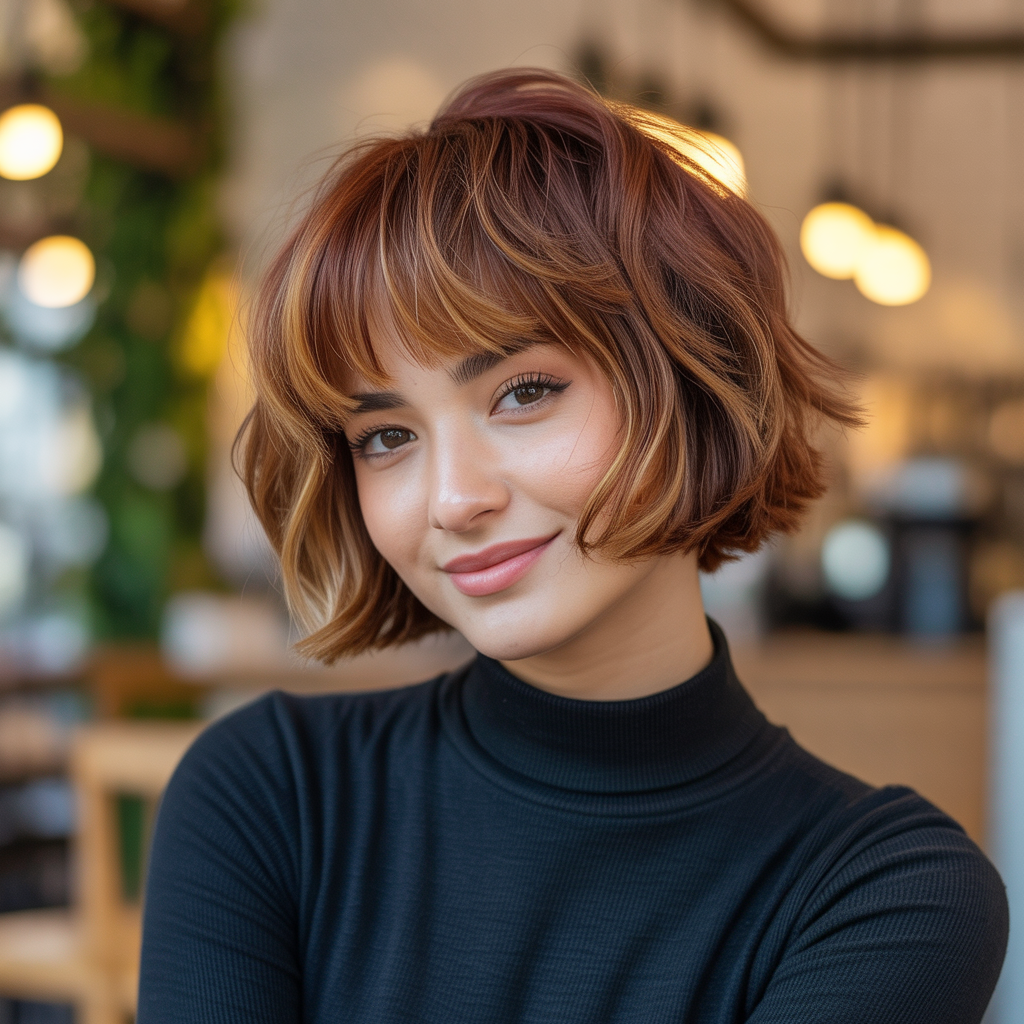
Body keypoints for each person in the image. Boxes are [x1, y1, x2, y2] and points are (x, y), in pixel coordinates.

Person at [137, 68, 1007, 1023]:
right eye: (385, 437)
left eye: (523, 392)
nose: (454, 500)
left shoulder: (884, 896)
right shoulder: (267, 796)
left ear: (690, 373)